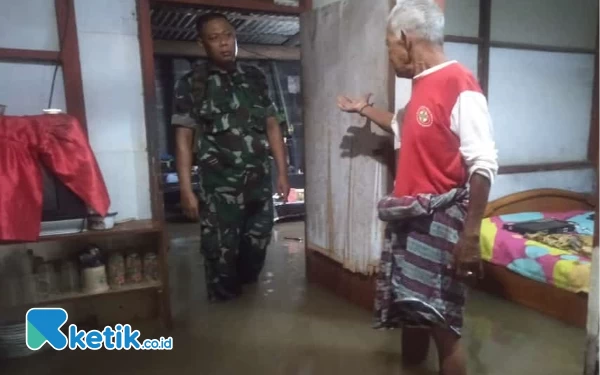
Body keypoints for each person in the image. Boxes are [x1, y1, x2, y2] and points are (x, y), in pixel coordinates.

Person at [337, 1, 498, 374]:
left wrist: (471, 237)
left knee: (444, 327)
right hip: (410, 221)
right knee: (411, 313)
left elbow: (484, 164)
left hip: (441, 225)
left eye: (388, 45)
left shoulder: (459, 83)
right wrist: (363, 110)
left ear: (405, 39)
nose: (389, 55)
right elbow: (404, 126)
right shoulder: (421, 85)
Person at [172, 13, 290, 302]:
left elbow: (272, 125)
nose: (224, 43)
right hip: (219, 190)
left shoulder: (255, 78)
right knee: (220, 256)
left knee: (257, 245)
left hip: (258, 186)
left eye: (228, 35)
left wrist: (283, 174)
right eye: (214, 38)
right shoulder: (192, 84)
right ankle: (225, 314)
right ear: (202, 43)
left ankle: (247, 303)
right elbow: (184, 139)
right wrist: (187, 190)